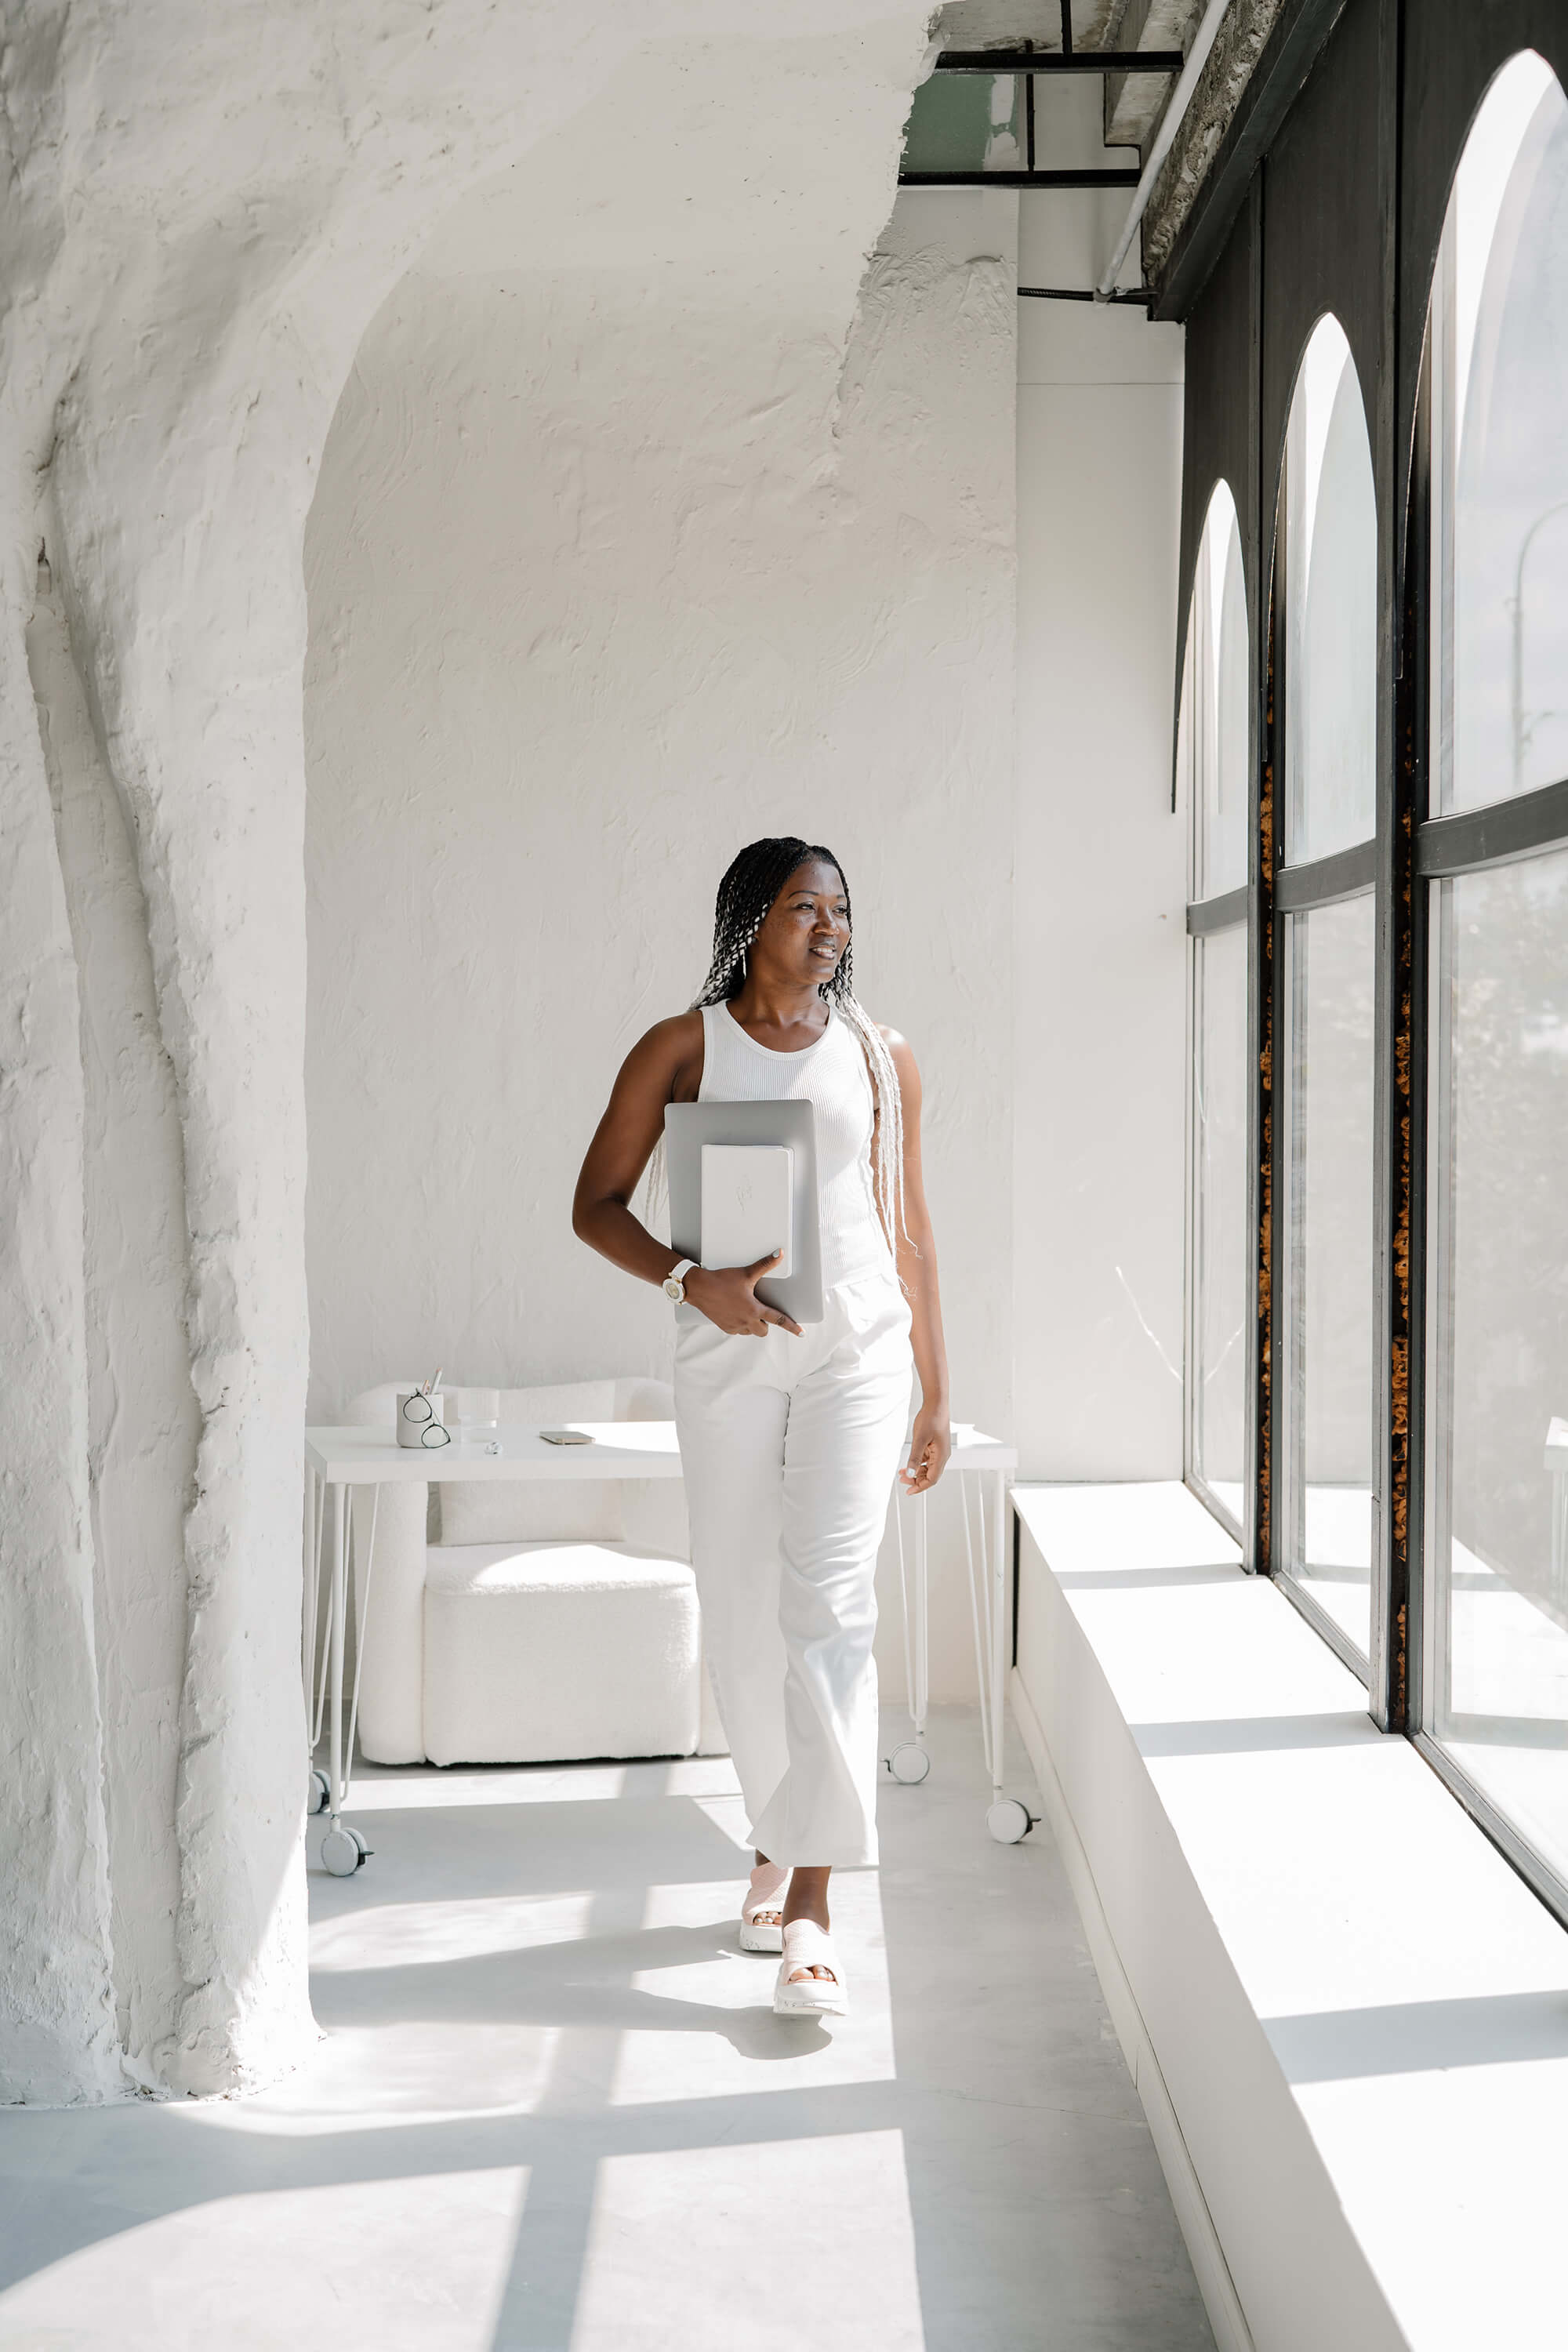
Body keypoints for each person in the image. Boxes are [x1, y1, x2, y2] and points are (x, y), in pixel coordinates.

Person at [572, 837, 950, 2017]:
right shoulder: (685, 1048)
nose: (830, 928)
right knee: (740, 1609)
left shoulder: (882, 1058)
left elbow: (910, 1228)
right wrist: (694, 1283)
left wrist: (939, 1388)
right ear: (752, 917)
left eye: (841, 909)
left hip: (856, 1359)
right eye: (804, 908)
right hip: (729, 1356)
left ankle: (815, 1906)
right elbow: (595, 1207)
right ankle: (775, 1834)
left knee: (829, 1606)